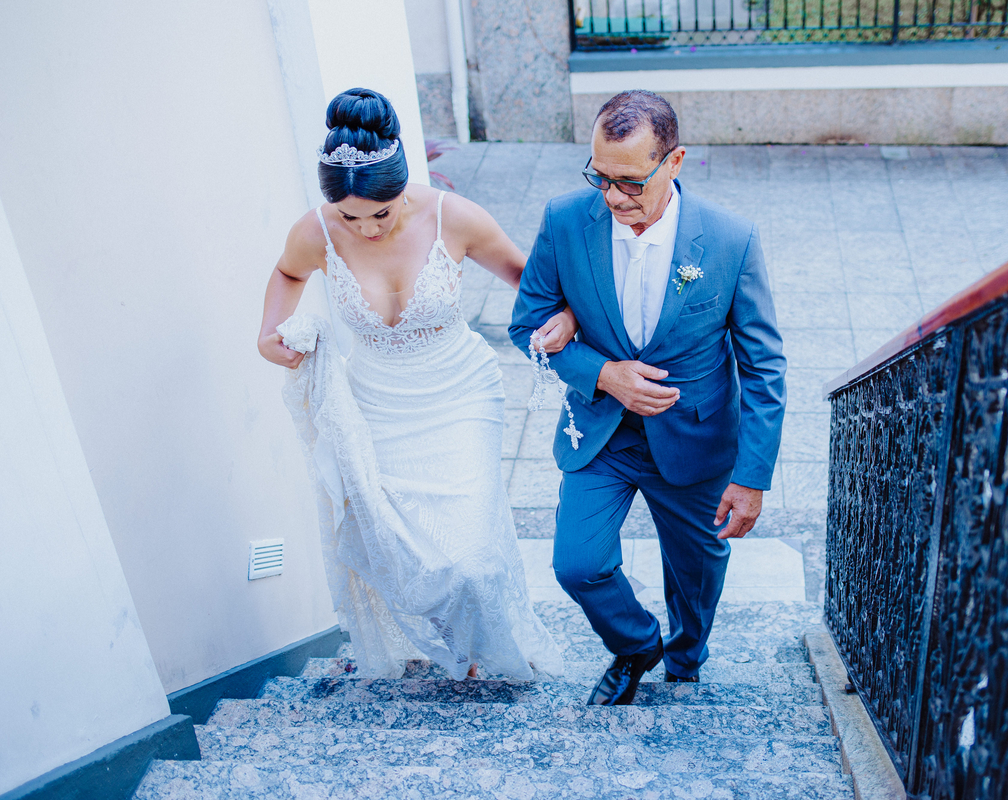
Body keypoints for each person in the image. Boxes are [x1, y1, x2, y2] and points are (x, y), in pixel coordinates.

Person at [258, 88, 568, 680]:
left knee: (471, 553)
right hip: (376, 403)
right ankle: (451, 648)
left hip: (460, 394)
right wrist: (268, 332)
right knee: (407, 547)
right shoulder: (316, 231)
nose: (368, 228)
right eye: (351, 216)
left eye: (383, 211)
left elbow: (532, 281)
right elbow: (287, 271)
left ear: (404, 185)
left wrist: (567, 320)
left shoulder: (455, 217)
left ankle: (488, 643)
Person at [509, 90, 786, 704]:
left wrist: (752, 476)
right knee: (576, 564)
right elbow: (524, 323)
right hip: (602, 434)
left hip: (695, 439)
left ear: (675, 161)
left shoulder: (731, 240)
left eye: (629, 182)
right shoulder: (564, 220)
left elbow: (764, 365)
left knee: (696, 575)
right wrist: (603, 374)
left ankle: (686, 661)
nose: (612, 197)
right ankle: (636, 645)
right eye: (599, 177)